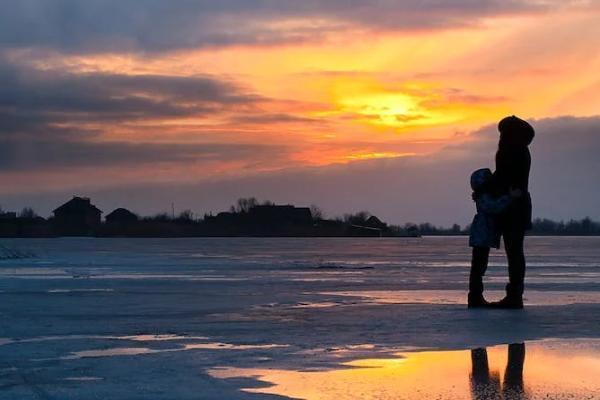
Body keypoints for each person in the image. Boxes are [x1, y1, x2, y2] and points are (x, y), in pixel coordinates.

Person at [489, 116, 535, 309]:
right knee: (514, 251)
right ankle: (514, 293)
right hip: (515, 204)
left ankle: (514, 295)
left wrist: (486, 186)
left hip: (513, 206)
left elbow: (504, 176)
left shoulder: (513, 150)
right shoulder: (519, 149)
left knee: (514, 251)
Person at [468, 168, 522, 308]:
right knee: (478, 267)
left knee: (480, 267)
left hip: (483, 236)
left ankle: (476, 296)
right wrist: (510, 197)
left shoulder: (484, 195)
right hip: (481, 237)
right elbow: (494, 207)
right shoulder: (483, 196)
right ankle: (475, 296)